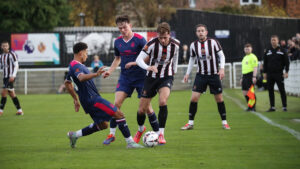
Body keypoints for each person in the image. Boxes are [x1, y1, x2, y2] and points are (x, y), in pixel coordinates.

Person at [65, 42, 143, 149]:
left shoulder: (72, 66)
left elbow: (67, 83)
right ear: (81, 53)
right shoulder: (75, 66)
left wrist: (75, 99)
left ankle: (74, 135)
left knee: (103, 125)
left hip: (87, 101)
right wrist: (96, 74)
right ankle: (130, 142)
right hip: (92, 99)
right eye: (86, 52)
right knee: (119, 114)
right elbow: (81, 78)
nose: (87, 55)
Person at [102, 15, 155, 145]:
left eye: (124, 27)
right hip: (125, 78)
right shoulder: (117, 42)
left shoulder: (139, 40)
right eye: (120, 28)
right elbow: (117, 59)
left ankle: (158, 134)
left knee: (147, 108)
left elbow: (148, 57)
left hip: (141, 78)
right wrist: (110, 70)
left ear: (130, 25)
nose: (122, 30)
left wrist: (135, 63)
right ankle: (111, 134)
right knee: (116, 105)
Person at [136, 22, 180, 144]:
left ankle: (161, 134)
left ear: (169, 35)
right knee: (141, 110)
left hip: (166, 76)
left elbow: (175, 58)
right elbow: (138, 59)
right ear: (157, 35)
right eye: (160, 37)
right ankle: (140, 130)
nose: (163, 40)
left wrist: (174, 71)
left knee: (162, 101)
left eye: (165, 37)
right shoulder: (150, 44)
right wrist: (147, 67)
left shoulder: (176, 45)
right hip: (150, 78)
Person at [181, 24, 230, 130]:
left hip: (214, 75)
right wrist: (187, 73)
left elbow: (221, 55)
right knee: (193, 98)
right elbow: (192, 60)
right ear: (196, 33)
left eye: (202, 30)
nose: (200, 32)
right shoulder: (193, 45)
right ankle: (190, 123)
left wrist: (222, 68)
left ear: (206, 32)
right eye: (198, 31)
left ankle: (224, 122)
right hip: (201, 75)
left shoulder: (213, 42)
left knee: (219, 99)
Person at [263, 35, 289, 112]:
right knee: (270, 90)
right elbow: (265, 62)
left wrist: (286, 71)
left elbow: (287, 62)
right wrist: (264, 72)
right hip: (270, 74)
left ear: (278, 41)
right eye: (272, 40)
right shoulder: (267, 51)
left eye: (274, 40)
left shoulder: (282, 50)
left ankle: (284, 106)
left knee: (282, 90)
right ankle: (272, 107)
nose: (273, 41)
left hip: (279, 73)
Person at [0, 41, 23, 116]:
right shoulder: (1, 56)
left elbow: (16, 65)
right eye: (3, 46)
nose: (5, 47)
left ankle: (0, 111)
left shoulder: (12, 54)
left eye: (6, 46)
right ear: (1, 47)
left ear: (8, 46)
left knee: (3, 93)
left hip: (10, 77)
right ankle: (20, 111)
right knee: (12, 94)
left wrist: (13, 75)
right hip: (5, 77)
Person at [240, 43, 258, 111]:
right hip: (244, 76)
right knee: (244, 92)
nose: (247, 50)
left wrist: (254, 76)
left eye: (248, 48)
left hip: (250, 75)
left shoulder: (253, 57)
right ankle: (250, 106)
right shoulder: (244, 57)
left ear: (251, 49)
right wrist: (241, 78)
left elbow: (255, 67)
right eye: (246, 49)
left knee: (250, 92)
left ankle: (253, 107)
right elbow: (243, 68)